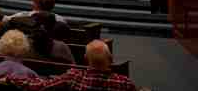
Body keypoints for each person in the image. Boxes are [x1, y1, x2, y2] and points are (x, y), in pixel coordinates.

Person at [8, 40, 136, 91]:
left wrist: (10, 78)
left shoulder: (74, 76)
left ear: (85, 58)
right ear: (110, 58)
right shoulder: (124, 83)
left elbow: (40, 85)